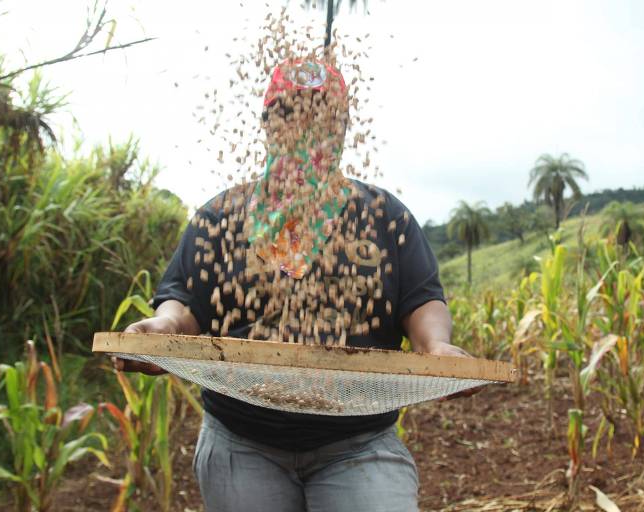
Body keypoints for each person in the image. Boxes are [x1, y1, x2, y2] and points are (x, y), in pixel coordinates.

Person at [116, 59, 475, 512]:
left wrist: (435, 345)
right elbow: (185, 302)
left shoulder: (383, 215)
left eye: (322, 117)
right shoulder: (223, 216)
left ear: (344, 129)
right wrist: (163, 327)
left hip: (358, 440)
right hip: (241, 441)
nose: (306, 131)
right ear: (267, 124)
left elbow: (421, 299)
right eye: (289, 115)